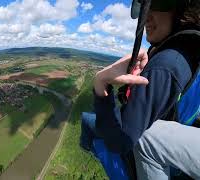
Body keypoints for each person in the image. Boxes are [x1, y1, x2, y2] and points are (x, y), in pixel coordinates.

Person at [80, 0, 200, 179]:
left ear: (181, 9)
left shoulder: (165, 65)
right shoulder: (190, 48)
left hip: (150, 153)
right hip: (177, 126)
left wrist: (101, 84)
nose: (147, 17)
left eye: (159, 4)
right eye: (145, 8)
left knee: (88, 120)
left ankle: (94, 153)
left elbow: (121, 141)